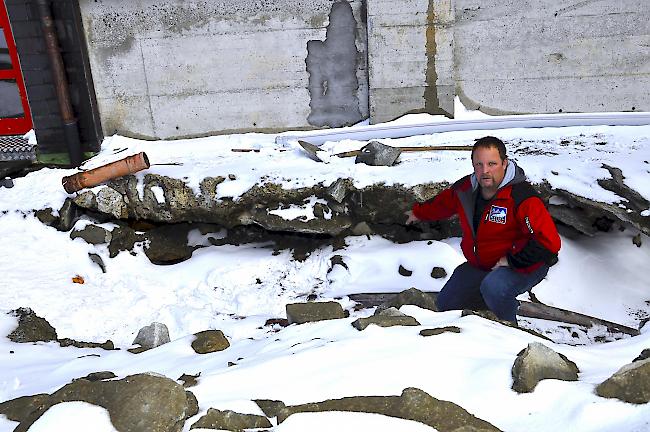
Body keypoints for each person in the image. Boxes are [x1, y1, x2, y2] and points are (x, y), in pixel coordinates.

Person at [405, 136, 561, 323]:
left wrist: (511, 261)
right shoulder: (466, 189)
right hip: (484, 264)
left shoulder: (522, 197)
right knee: (446, 304)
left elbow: (549, 243)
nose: (485, 171)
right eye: (479, 164)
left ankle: (510, 331)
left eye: (492, 164)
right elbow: (443, 204)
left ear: (505, 163)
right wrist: (418, 213)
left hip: (524, 265)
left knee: (494, 288)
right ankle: (482, 322)